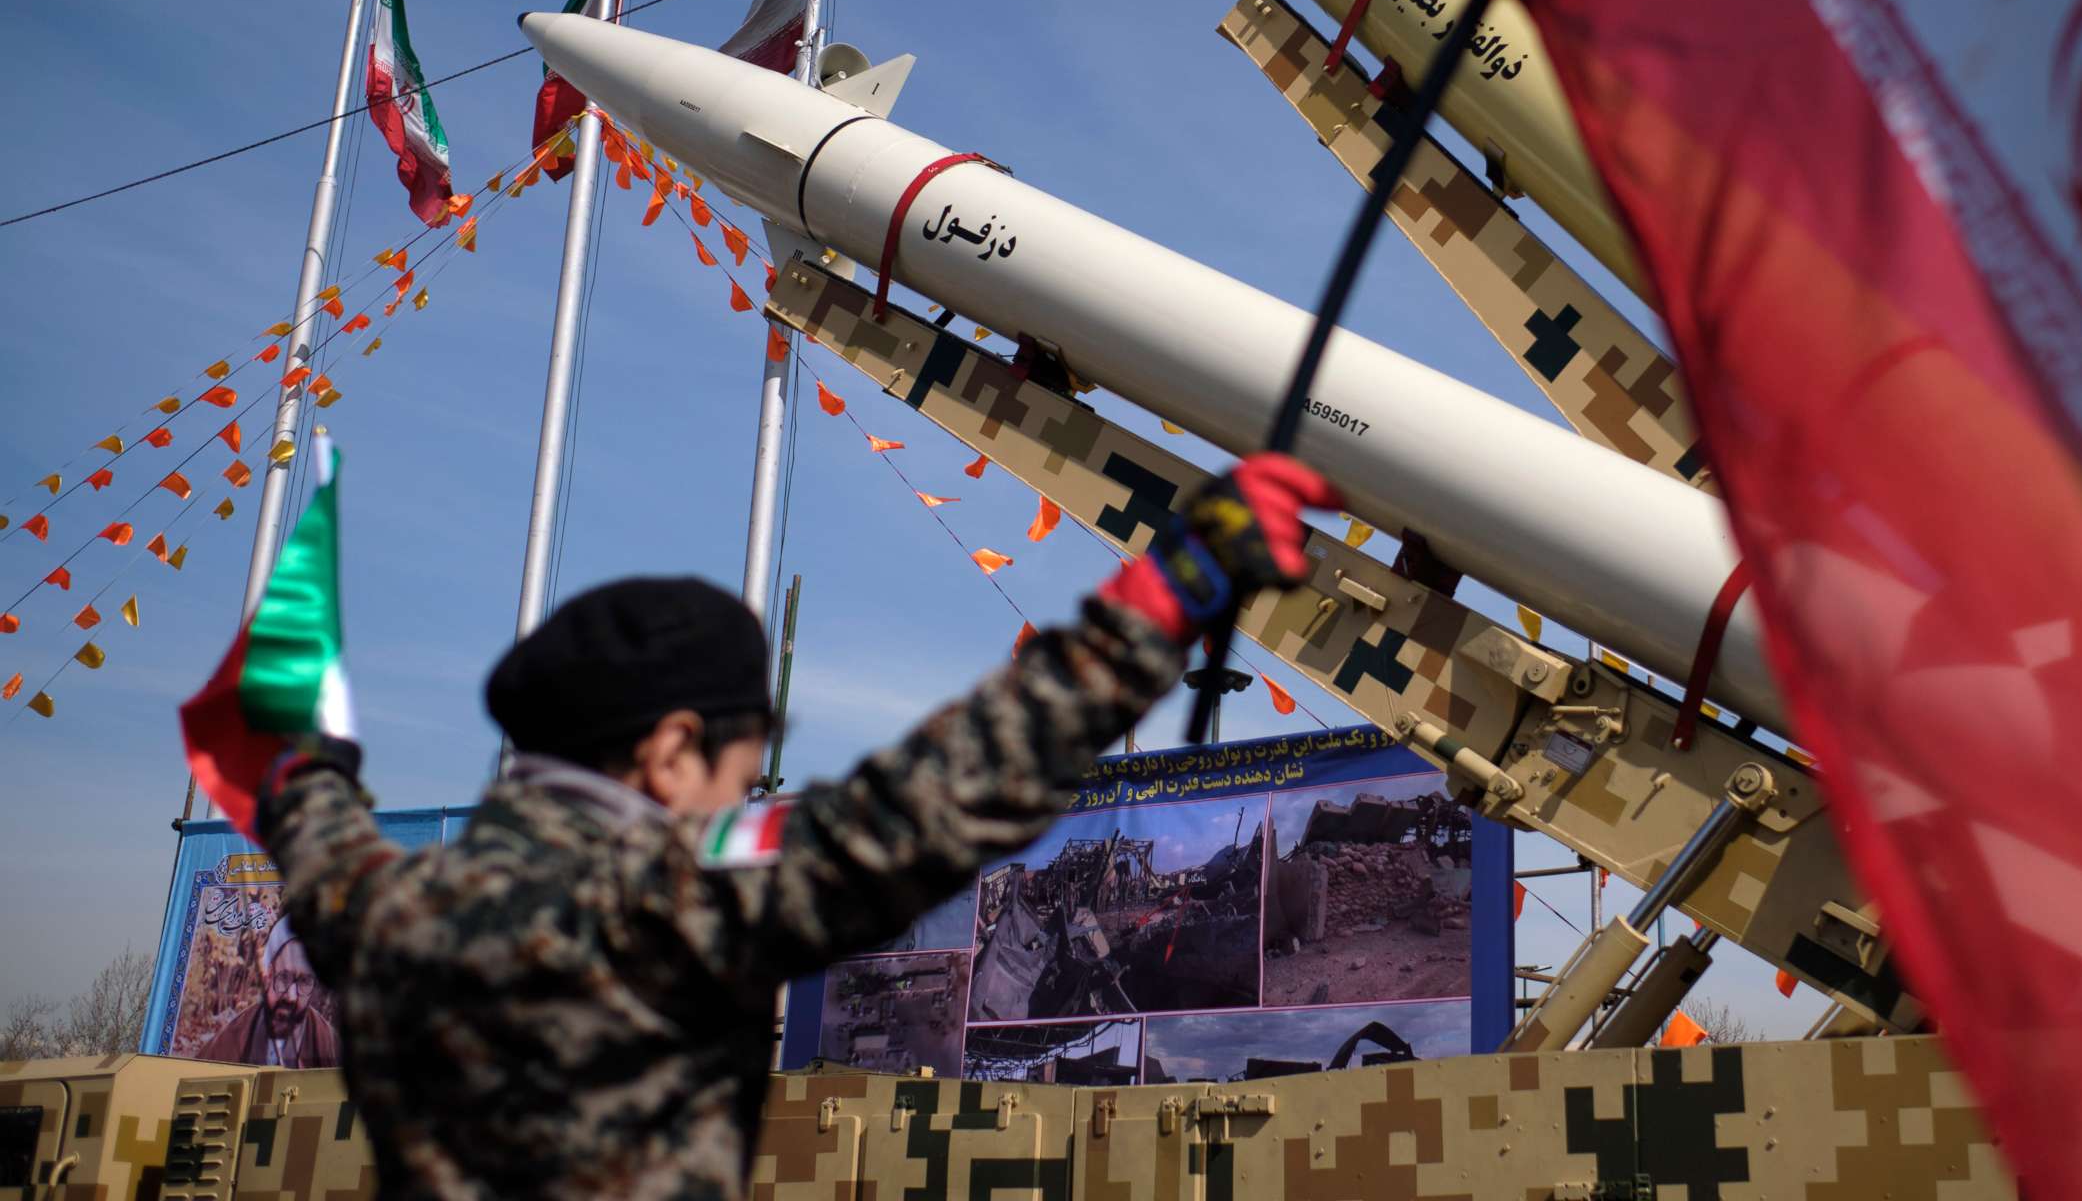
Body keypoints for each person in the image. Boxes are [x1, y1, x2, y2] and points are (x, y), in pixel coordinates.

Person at [254, 455, 1335, 1200]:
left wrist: (314, 763)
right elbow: (935, 799)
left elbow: (311, 818)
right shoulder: (654, 907)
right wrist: (1176, 585)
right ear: (670, 749)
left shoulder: (387, 906)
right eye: (739, 765)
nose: (741, 801)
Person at [196, 916, 341, 1068]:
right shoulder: (234, 1037)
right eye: (284, 978)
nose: (291, 996)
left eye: (304, 982)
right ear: (268, 976)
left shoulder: (329, 1044)